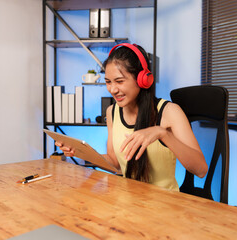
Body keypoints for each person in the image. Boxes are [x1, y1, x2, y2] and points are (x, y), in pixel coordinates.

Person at [56, 43, 207, 191]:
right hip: (128, 202)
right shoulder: (112, 112)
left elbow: (200, 170)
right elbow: (115, 163)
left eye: (120, 81)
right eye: (108, 82)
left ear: (143, 79)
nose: (113, 89)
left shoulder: (170, 112)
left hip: (163, 205)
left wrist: (163, 133)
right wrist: (82, 152)